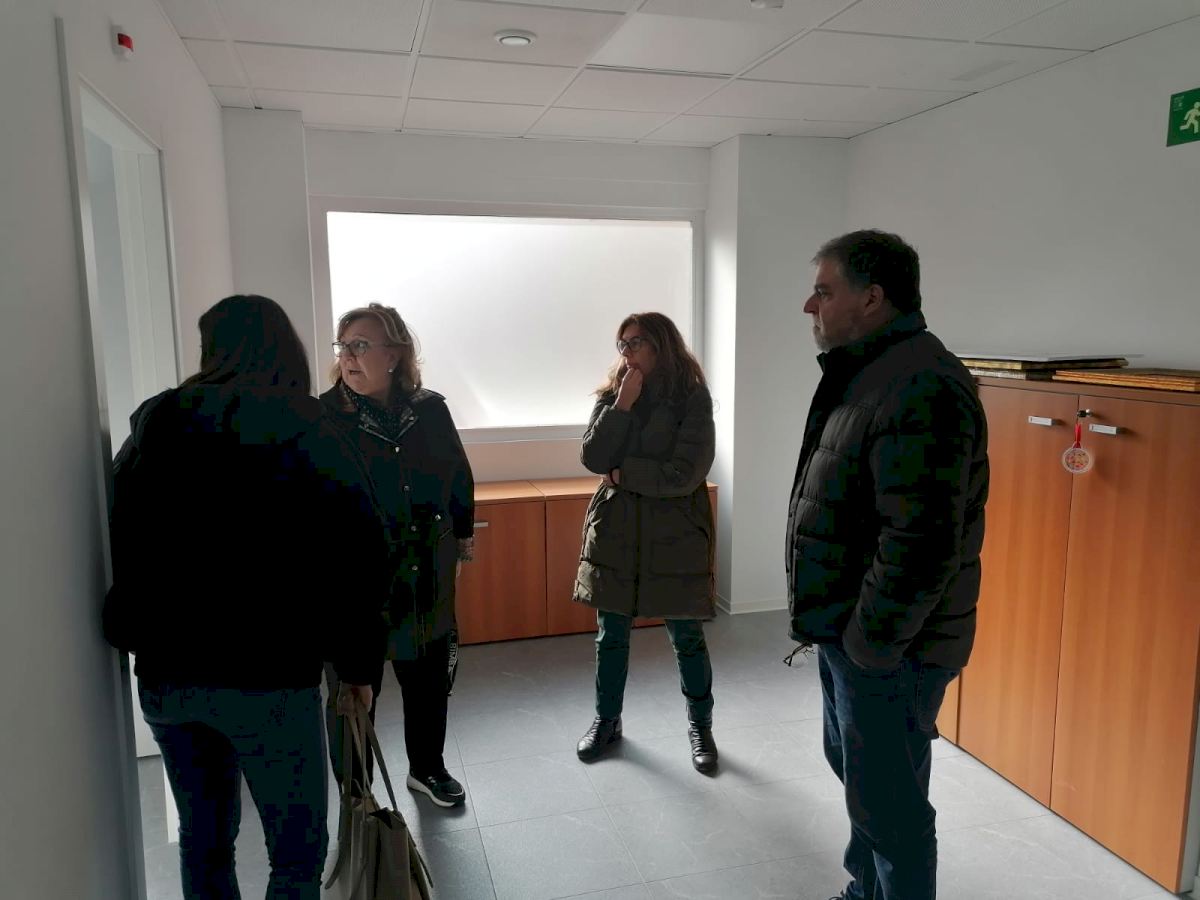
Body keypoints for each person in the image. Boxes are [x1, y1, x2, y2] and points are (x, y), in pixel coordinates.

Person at [102, 295, 386, 900]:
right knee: (295, 854)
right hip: (271, 675)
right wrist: (358, 668)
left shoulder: (157, 424)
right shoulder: (311, 428)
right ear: (286, 350)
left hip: (169, 674)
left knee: (204, 841)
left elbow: (120, 535)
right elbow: (358, 556)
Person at [785, 231, 989, 900]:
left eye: (824, 291)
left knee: (891, 806)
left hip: (891, 646)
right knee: (864, 780)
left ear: (871, 298)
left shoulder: (922, 384)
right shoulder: (870, 371)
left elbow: (920, 544)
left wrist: (867, 648)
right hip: (856, 633)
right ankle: (864, 891)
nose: (809, 305)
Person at [321, 303, 474, 808]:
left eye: (361, 345)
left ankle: (427, 769)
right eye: (344, 346)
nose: (348, 356)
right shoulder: (325, 416)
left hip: (425, 566)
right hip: (356, 579)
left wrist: (462, 539)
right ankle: (357, 793)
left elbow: (458, 474)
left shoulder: (429, 409)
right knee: (354, 689)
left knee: (428, 678)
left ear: (393, 354)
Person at [573, 312, 719, 773]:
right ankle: (607, 721)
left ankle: (701, 726)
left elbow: (685, 473)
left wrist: (623, 474)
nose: (627, 352)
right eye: (622, 344)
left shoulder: (692, 397)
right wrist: (622, 405)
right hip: (616, 531)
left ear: (661, 344)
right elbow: (593, 457)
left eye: (635, 342)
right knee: (610, 636)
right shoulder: (614, 394)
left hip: (675, 535)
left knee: (687, 637)